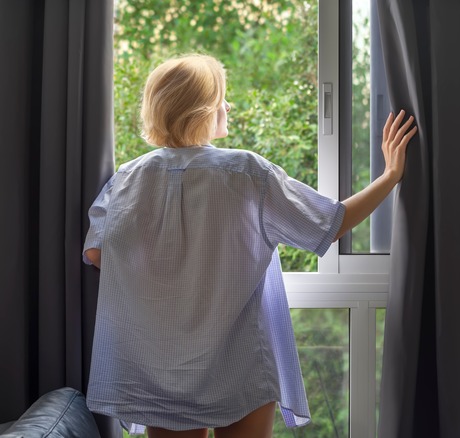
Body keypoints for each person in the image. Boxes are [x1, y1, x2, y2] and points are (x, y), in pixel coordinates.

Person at [82, 54, 416, 438]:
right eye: (222, 97)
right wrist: (391, 175)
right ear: (203, 108)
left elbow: (97, 254)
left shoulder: (128, 178)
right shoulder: (246, 173)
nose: (228, 106)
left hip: (161, 367)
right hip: (238, 362)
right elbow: (331, 223)